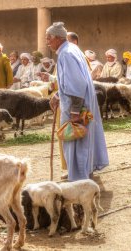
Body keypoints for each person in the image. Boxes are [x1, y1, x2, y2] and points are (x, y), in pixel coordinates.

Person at [46, 22, 108, 181]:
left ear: (58, 38)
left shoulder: (66, 54)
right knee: (83, 137)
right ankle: (83, 172)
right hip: (84, 104)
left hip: (78, 107)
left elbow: (77, 84)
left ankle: (80, 177)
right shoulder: (71, 49)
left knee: (76, 137)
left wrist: (74, 112)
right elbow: (70, 81)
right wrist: (58, 95)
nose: (47, 42)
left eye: (49, 38)